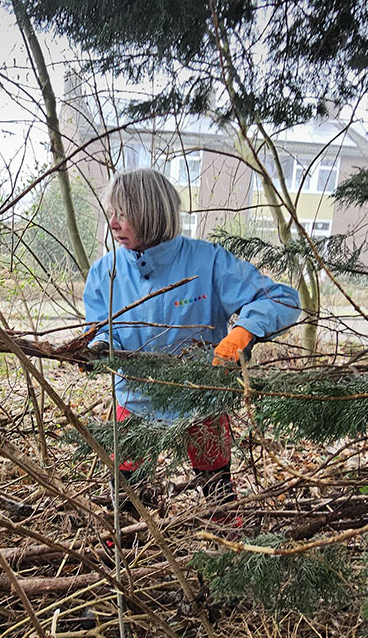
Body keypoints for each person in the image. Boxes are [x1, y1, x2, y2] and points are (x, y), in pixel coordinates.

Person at [83, 167, 300, 502]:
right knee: (124, 495)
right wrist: (99, 347)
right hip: (134, 400)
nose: (113, 224)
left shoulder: (208, 261)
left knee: (218, 493)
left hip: (201, 399)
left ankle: (228, 544)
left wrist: (242, 334)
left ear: (151, 214)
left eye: (123, 215)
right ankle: (120, 549)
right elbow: (101, 327)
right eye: (111, 213)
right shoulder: (105, 272)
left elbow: (282, 299)